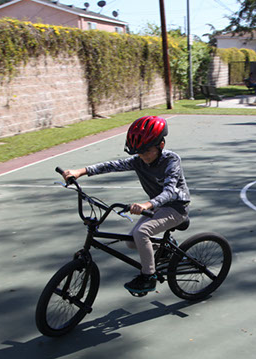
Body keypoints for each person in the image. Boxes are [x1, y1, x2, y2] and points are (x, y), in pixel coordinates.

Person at [62, 116, 190, 295]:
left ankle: (148, 277)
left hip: (176, 208)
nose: (143, 156)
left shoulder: (171, 160)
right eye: (139, 152)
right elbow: (112, 165)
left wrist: (147, 204)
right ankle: (164, 250)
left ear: (160, 145)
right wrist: (80, 172)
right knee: (131, 242)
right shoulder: (139, 161)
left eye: (146, 151)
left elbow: (170, 191)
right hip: (157, 207)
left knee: (141, 232)